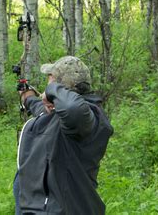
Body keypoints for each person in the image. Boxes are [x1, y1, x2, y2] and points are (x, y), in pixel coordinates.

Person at [13, 56, 114, 214]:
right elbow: (43, 110)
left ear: (60, 88)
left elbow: (72, 108)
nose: (47, 84)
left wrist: (52, 89)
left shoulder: (84, 117)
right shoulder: (60, 115)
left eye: (50, 78)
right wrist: (28, 98)